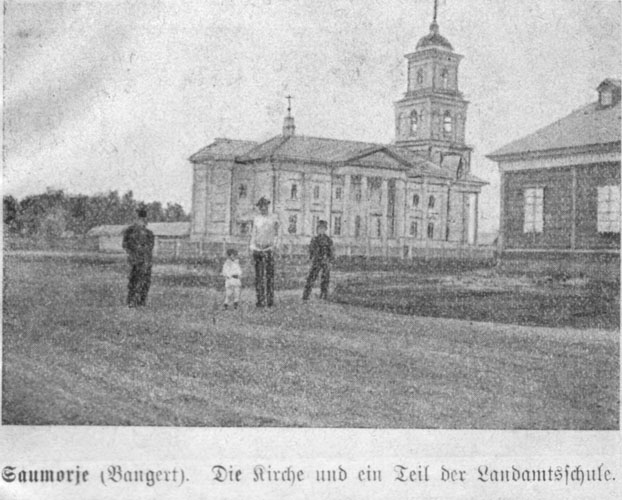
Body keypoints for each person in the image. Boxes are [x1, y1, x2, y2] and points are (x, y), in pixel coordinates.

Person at [249, 197, 280, 307]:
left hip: (268, 249)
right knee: (259, 276)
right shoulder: (256, 219)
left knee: (269, 276)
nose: (263, 208)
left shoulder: (274, 218)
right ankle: (260, 300)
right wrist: (252, 246)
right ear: (259, 207)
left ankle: (269, 300)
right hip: (258, 249)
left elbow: (276, 234)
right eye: (261, 206)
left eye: (265, 206)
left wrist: (274, 246)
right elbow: (253, 233)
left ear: (268, 206)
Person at [122, 208, 155, 307]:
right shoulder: (130, 231)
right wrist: (134, 252)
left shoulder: (149, 233)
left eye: (144, 219)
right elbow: (125, 244)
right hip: (135, 260)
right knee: (134, 280)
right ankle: (132, 301)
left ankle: (141, 301)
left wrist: (144, 255)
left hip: (145, 261)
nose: (143, 221)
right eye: (140, 219)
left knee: (145, 281)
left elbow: (150, 247)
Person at [302, 219, 333, 301]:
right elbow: (311, 250)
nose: (321, 230)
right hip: (316, 261)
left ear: (325, 229)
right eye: (319, 228)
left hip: (325, 261)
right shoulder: (314, 239)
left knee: (325, 278)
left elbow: (330, 251)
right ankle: (306, 295)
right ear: (317, 229)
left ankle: (324, 294)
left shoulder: (328, 240)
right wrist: (310, 258)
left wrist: (330, 260)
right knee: (311, 277)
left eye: (323, 228)